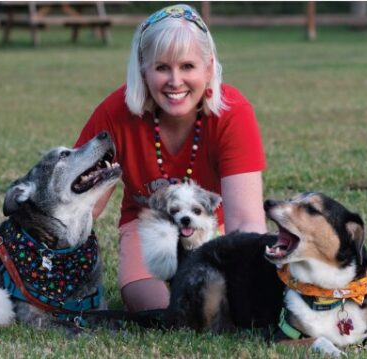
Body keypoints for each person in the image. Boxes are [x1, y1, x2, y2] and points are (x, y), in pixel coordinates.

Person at [74, 4, 267, 312]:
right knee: (158, 311)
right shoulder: (115, 114)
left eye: (188, 66)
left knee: (220, 309)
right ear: (143, 70)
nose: (175, 81)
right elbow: (81, 207)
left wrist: (252, 285)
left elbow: (245, 222)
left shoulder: (233, 113)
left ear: (209, 67)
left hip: (208, 228)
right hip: (148, 225)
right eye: (162, 67)